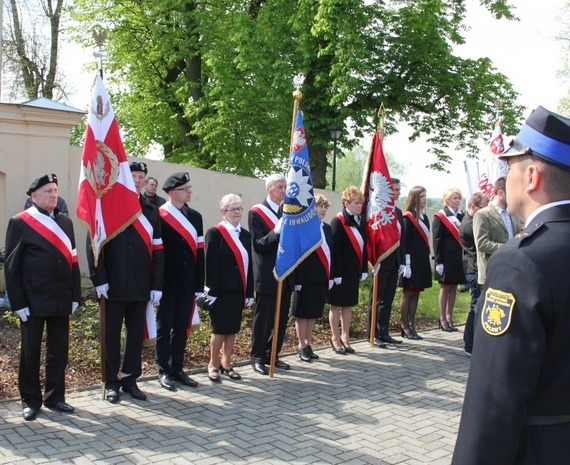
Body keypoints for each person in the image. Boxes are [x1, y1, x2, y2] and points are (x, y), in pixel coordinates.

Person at [452, 107, 570, 465]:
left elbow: (494, 398)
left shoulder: (521, 261)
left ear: (531, 175)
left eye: (510, 167)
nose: (504, 178)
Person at [5, 174, 81, 421]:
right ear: (34, 196)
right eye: (47, 190)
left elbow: (74, 261)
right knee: (30, 353)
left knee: (58, 352)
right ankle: (30, 400)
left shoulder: (65, 223)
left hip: (60, 299)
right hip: (33, 301)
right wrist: (18, 302)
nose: (53, 194)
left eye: (55, 190)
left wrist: (75, 295)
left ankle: (55, 397)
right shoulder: (20, 223)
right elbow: (12, 267)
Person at [87, 161, 164, 403]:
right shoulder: (109, 207)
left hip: (141, 285)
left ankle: (130, 379)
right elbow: (95, 245)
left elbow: (159, 250)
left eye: (141, 176)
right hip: (113, 286)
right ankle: (111, 381)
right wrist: (99, 279)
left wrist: (157, 285)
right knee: (111, 334)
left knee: (134, 336)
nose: (138, 179)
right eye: (133, 175)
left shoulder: (151, 210)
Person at [155, 172, 203, 391]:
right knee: (164, 328)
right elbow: (156, 253)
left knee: (182, 328)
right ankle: (164, 370)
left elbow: (200, 252)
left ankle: (178, 369)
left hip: (187, 282)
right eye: (186, 189)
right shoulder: (159, 215)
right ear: (173, 193)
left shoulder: (196, 217)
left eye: (190, 188)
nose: (190, 191)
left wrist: (199, 284)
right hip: (167, 282)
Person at [204, 194, 254, 381]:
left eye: (239, 208)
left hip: (238, 291)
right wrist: (212, 292)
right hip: (220, 292)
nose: (237, 212)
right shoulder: (214, 233)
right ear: (223, 212)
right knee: (218, 330)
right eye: (232, 209)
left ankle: (226, 363)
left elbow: (250, 267)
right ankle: (213, 364)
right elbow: (210, 265)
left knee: (232, 329)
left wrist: (249, 292)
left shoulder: (246, 235)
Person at [248, 174, 293, 375]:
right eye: (280, 187)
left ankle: (272, 353)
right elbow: (258, 246)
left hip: (287, 273)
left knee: (281, 317)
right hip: (267, 273)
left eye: (285, 187)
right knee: (264, 317)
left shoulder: (289, 212)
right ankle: (257, 356)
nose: (283, 191)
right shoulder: (256, 213)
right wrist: (275, 232)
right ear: (269, 189)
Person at [292, 194, 333, 362]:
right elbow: (299, 256)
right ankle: (301, 345)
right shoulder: (303, 228)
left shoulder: (328, 228)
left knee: (313, 313)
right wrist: (298, 280)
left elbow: (331, 253)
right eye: (319, 206)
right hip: (306, 278)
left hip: (322, 276)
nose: (322, 209)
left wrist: (331, 276)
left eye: (325, 206)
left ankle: (308, 344)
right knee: (302, 313)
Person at [329, 186, 368, 354]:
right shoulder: (338, 221)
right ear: (346, 203)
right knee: (336, 306)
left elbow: (364, 247)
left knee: (348, 306)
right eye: (356, 203)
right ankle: (335, 337)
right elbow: (334, 250)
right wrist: (335, 273)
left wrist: (364, 267)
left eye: (361, 203)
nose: (359, 206)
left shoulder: (361, 221)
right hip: (340, 272)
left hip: (353, 271)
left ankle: (346, 337)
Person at [366, 178, 405, 347]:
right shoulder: (377, 210)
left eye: (399, 190)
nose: (397, 193)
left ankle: (384, 331)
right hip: (381, 260)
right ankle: (372, 333)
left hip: (395, 261)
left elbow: (401, 239)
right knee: (376, 298)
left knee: (387, 299)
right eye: (395, 189)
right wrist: (374, 260)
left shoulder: (397, 211)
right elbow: (373, 236)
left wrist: (403, 261)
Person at [473, 176, 521, 285]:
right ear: (500, 193)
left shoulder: (513, 214)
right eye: (512, 192)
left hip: (513, 270)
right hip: (492, 273)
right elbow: (482, 244)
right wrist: (509, 248)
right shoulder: (482, 214)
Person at [399, 186, 431, 340]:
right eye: (422, 196)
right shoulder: (408, 217)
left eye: (426, 196)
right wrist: (406, 263)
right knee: (408, 293)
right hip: (411, 261)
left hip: (422, 260)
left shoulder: (424, 217)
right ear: (415, 198)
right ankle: (404, 324)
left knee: (416, 292)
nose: (425, 199)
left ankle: (412, 324)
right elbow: (404, 241)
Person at [458, 192, 489, 355]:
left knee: (478, 306)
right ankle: (469, 344)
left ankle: (472, 342)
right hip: (474, 270)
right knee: (476, 307)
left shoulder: (472, 220)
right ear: (473, 207)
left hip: (475, 269)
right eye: (484, 208)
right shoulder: (470, 225)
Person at [432, 187, 466, 332]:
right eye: (454, 198)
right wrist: (439, 261)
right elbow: (436, 240)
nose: (457, 201)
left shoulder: (461, 216)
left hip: (457, 257)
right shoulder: (441, 216)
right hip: (445, 257)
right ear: (447, 200)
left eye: (459, 198)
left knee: (453, 287)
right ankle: (442, 318)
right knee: (445, 287)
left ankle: (449, 316)